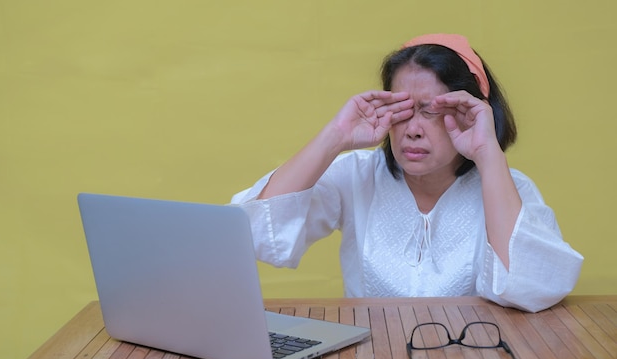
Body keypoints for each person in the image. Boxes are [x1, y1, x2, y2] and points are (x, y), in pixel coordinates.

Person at [231, 33, 583, 312]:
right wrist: (335, 136)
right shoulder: (358, 175)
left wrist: (488, 153)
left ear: (471, 112)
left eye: (431, 110)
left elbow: (532, 289)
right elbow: (254, 233)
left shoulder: (509, 187)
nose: (413, 129)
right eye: (402, 109)